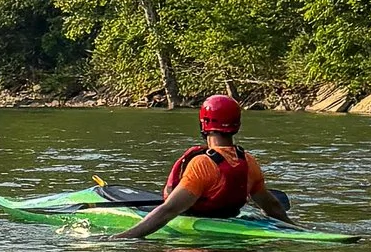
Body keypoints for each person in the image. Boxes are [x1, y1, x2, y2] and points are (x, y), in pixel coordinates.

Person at [118, 94, 290, 241]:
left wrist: (121, 238)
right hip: (231, 222)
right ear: (236, 125)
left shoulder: (202, 164)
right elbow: (272, 207)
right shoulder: (249, 161)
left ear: (204, 124)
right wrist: (296, 229)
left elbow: (169, 210)